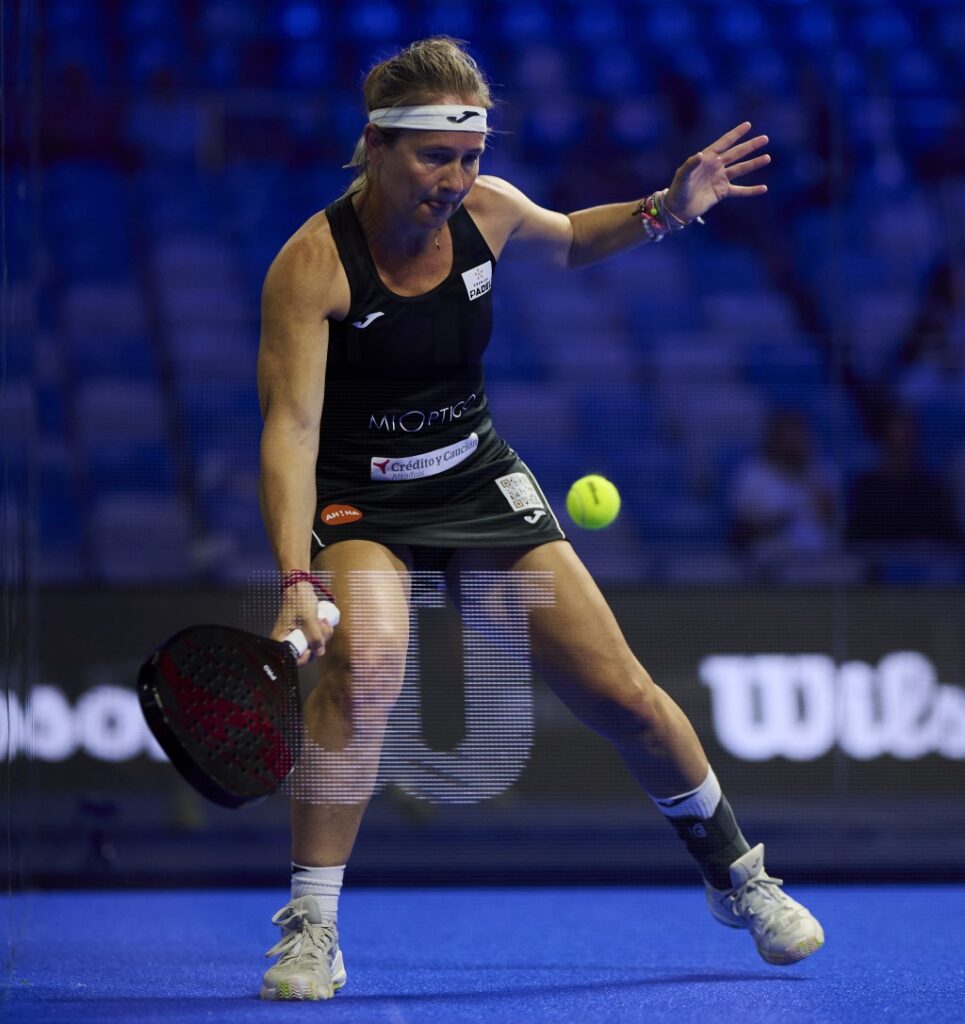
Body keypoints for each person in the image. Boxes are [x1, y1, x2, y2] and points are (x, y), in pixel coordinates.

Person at [256, 37, 823, 1001]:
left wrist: (661, 211)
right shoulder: (313, 265)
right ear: (380, 144)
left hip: (475, 483)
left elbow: (568, 237)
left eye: (470, 155)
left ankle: (740, 878)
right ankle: (312, 927)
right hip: (363, 501)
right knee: (369, 666)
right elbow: (291, 430)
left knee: (622, 694)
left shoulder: (488, 210)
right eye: (437, 156)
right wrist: (298, 582)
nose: (456, 177)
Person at [729, 409, 841, 580]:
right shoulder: (753, 474)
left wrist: (809, 477)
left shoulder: (822, 469)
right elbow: (741, 526)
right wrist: (775, 523)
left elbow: (834, 518)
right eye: (787, 438)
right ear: (774, 440)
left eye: (798, 437)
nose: (793, 444)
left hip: (819, 553)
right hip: (772, 552)